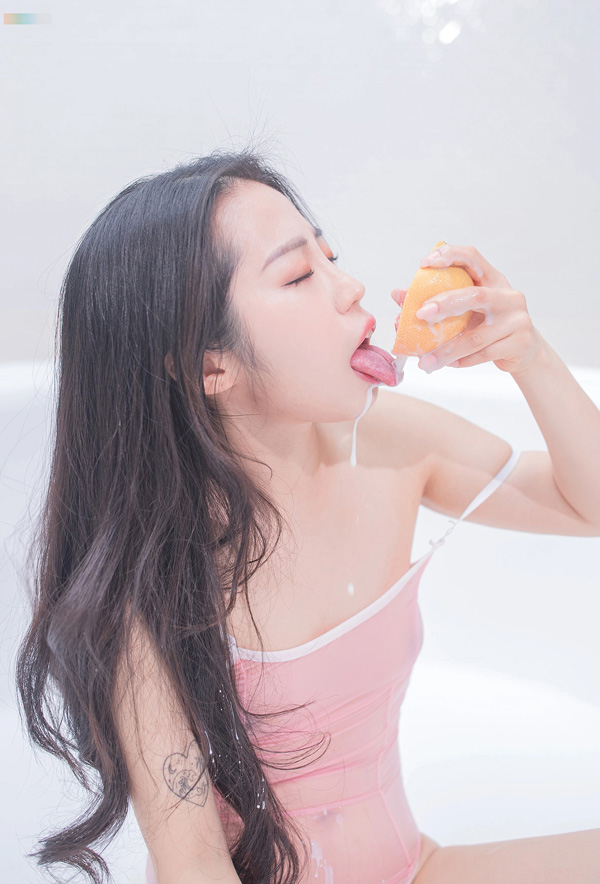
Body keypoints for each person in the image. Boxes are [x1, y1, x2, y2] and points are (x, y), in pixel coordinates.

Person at [16, 144, 600, 884]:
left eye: (331, 259)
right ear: (207, 365)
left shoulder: (389, 445)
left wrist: (530, 358)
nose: (351, 289)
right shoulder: (153, 583)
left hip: (414, 868)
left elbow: (586, 505)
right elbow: (194, 863)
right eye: (298, 276)